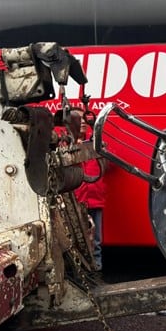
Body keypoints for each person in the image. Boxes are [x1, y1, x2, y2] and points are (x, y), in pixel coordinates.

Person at [74, 114, 107, 272]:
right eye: (78, 119)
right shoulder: (65, 144)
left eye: (84, 119)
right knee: (77, 236)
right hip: (76, 199)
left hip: (95, 198)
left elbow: (107, 165)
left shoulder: (96, 143)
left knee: (97, 239)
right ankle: (80, 269)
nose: (82, 122)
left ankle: (96, 268)